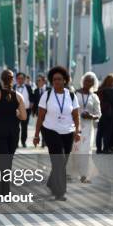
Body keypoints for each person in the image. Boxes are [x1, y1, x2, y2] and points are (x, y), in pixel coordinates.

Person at [33, 66, 81, 201]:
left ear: (65, 80)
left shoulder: (71, 95)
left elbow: (76, 115)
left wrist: (77, 131)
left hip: (68, 132)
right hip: (51, 131)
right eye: (54, 80)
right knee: (58, 160)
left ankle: (51, 182)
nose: (57, 82)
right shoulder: (46, 95)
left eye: (59, 79)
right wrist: (37, 135)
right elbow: (40, 117)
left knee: (63, 161)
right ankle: (60, 192)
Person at [69, 72, 101, 183]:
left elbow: (99, 114)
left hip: (88, 128)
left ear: (94, 83)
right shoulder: (74, 94)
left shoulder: (94, 97)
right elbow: (68, 109)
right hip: (75, 125)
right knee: (75, 149)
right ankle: (70, 173)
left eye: (91, 81)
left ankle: (84, 175)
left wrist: (91, 116)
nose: (88, 83)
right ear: (83, 81)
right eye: (86, 80)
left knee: (86, 151)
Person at [96, 74, 113, 154]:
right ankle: (106, 148)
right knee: (107, 131)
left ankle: (98, 149)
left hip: (100, 112)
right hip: (109, 113)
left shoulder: (100, 88)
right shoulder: (110, 90)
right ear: (111, 81)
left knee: (100, 131)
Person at [14, 72, 33, 147]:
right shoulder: (13, 87)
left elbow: (31, 96)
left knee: (24, 127)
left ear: (24, 79)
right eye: (19, 78)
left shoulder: (28, 87)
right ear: (16, 79)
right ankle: (15, 142)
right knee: (15, 126)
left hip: (26, 110)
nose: (20, 80)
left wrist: (32, 103)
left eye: (22, 78)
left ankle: (23, 142)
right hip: (15, 110)